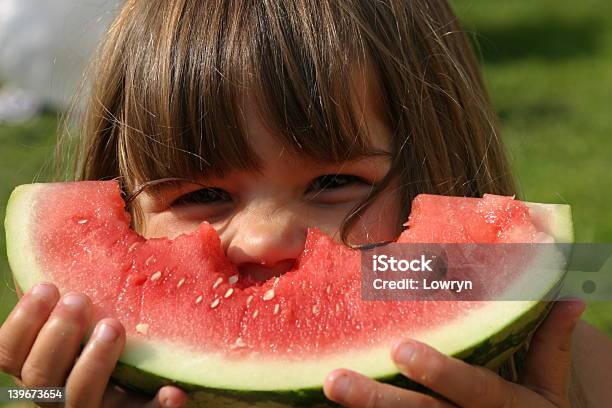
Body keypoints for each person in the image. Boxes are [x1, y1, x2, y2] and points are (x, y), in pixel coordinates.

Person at [1, 0, 611, 407]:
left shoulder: (571, 368)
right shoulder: (108, 371)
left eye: (332, 183)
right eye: (203, 195)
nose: (265, 239)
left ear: (441, 171)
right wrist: (40, 395)